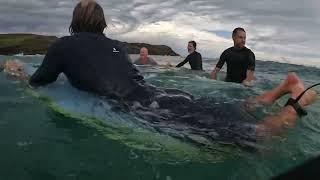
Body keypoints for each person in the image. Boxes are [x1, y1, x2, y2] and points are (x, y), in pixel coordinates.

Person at [3, 0, 317, 149]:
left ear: (74, 23)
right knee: (229, 110)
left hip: (143, 110)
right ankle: (283, 89)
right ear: (101, 24)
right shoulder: (115, 45)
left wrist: (16, 71)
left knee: (252, 141)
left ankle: (298, 103)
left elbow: (39, 81)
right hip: (162, 97)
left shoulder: (62, 45)